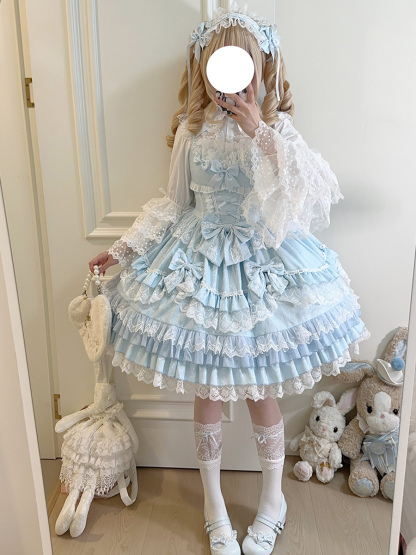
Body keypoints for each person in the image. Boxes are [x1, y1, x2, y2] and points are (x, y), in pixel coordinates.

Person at [88, 3, 370, 554]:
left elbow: (310, 191)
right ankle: (214, 506)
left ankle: (273, 501)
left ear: (261, 68)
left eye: (244, 65)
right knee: (209, 393)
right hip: (200, 268)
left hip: (261, 268)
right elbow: (172, 206)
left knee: (261, 390)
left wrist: (259, 130)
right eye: (220, 65)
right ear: (205, 68)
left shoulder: (277, 129)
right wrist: (121, 250)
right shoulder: (191, 130)